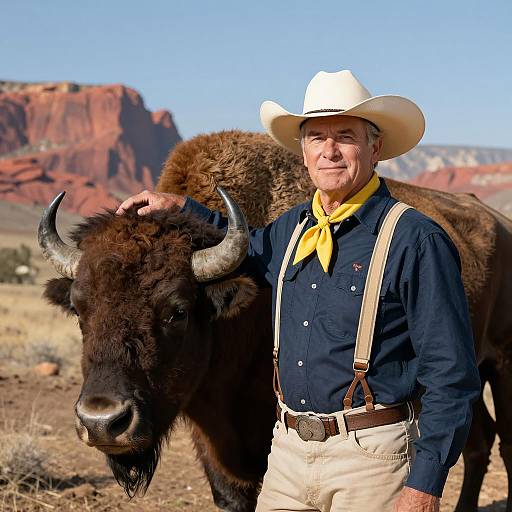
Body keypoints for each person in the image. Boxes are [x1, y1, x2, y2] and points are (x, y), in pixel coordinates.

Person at [117, 70, 480, 512]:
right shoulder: (292, 229)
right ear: (303, 152)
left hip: (372, 458)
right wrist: (183, 207)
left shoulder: (414, 239)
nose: (329, 151)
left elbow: (451, 375)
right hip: (287, 454)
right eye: (316, 138)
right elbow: (245, 248)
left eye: (345, 136)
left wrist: (425, 486)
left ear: (375, 148)